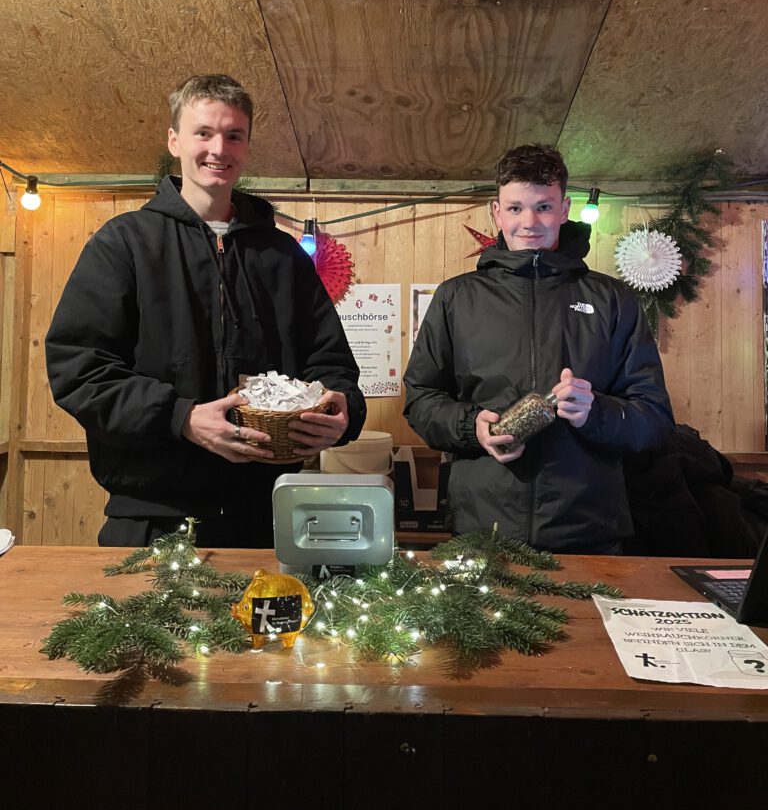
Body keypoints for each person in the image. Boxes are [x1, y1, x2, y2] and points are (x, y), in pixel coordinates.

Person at [46, 74, 366, 548]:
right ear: (174, 140)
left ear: (247, 146)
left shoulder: (283, 256)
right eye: (203, 133)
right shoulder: (124, 243)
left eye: (234, 135)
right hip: (151, 518)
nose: (219, 148)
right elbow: (80, 371)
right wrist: (180, 418)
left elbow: (331, 362)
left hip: (264, 517)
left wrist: (342, 410)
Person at [403, 144, 674, 554]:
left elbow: (654, 418)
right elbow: (421, 399)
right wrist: (473, 428)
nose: (529, 222)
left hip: (589, 533)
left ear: (564, 209)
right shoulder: (456, 297)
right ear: (497, 212)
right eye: (516, 208)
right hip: (481, 530)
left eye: (543, 207)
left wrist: (595, 412)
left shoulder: (612, 299)